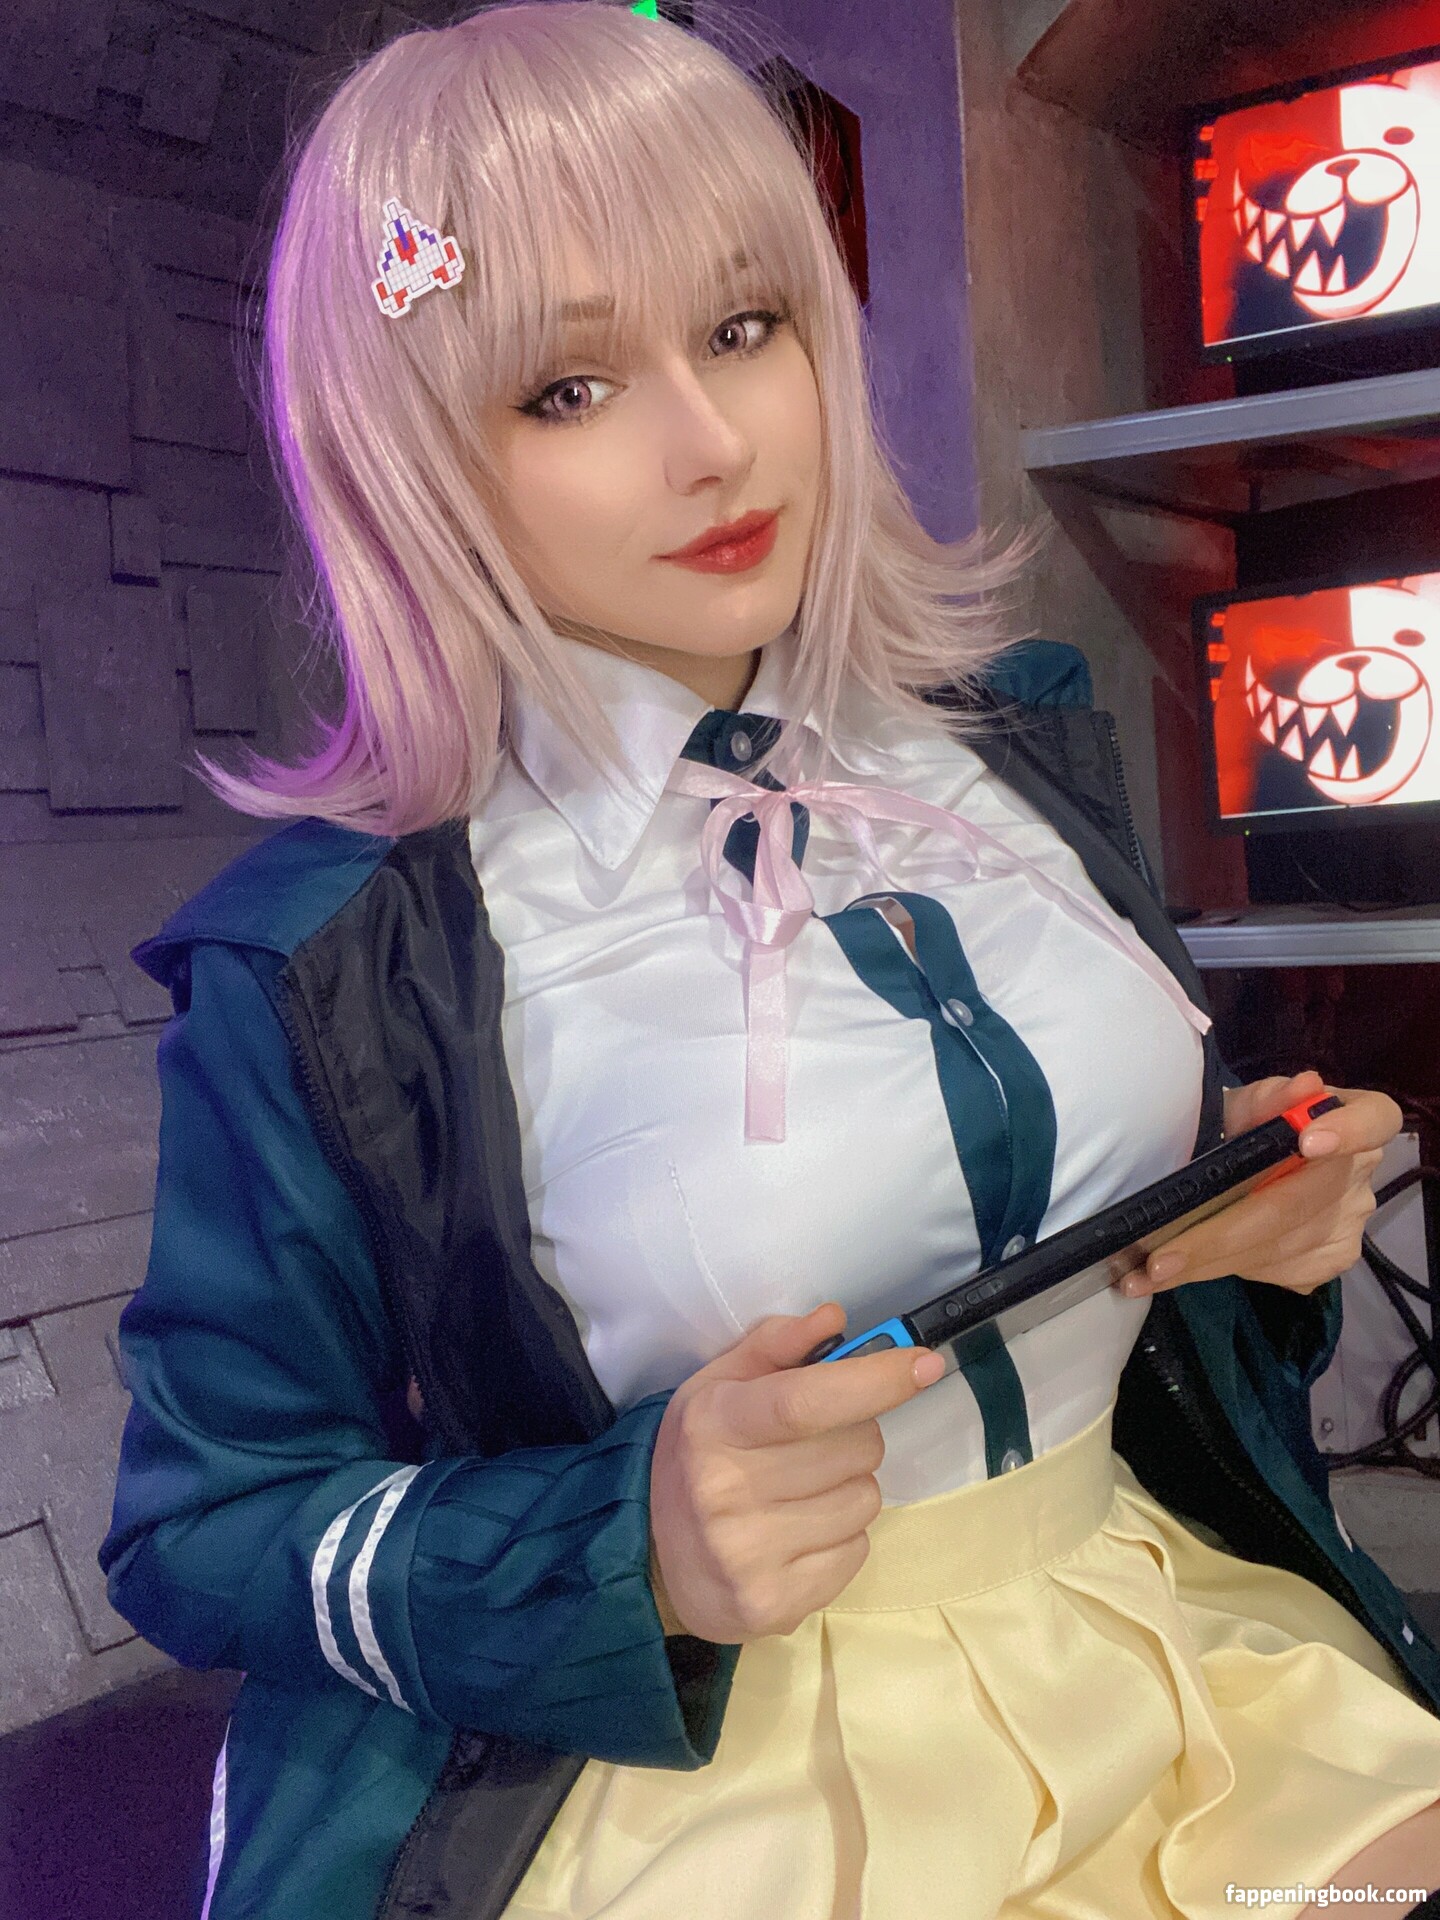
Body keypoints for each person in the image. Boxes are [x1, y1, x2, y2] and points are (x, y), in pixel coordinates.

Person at [99, 6, 1440, 1918]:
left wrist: (1254, 1211)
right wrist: (620, 1540)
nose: (714, 443)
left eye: (745, 326)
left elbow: (1103, 1266)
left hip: (1157, 1634)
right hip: (704, 1779)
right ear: (412, 458)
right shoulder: (332, 961)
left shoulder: (1012, 743)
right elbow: (207, 1525)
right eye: (568, 387)